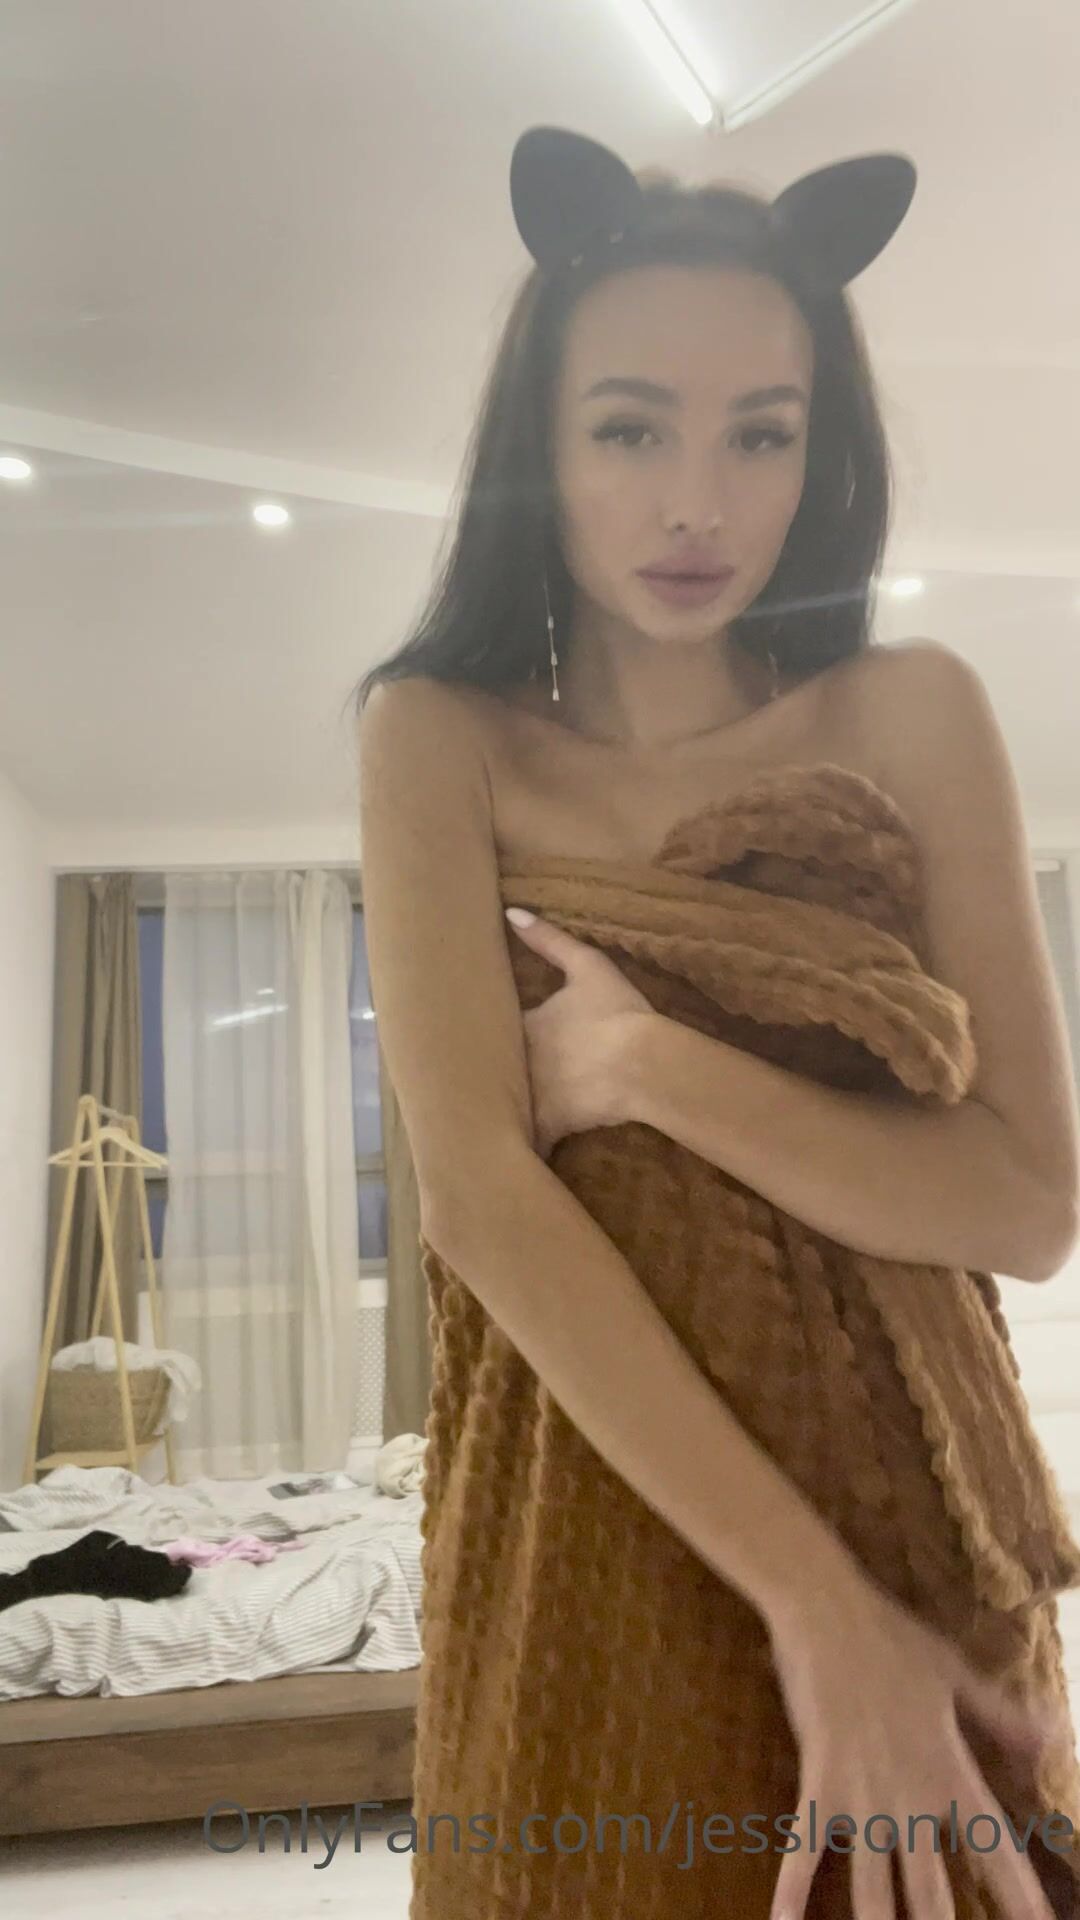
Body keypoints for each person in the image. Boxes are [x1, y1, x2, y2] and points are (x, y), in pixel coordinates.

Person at [354, 129, 1080, 1919]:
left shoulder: (910, 711)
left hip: (912, 1509)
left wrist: (649, 1067)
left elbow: (1025, 1202)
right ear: (540, 445)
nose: (699, 503)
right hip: (586, 1512)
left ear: (821, 454)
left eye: (762, 432)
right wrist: (817, 1611)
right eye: (630, 430)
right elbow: (481, 1204)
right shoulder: (436, 738)